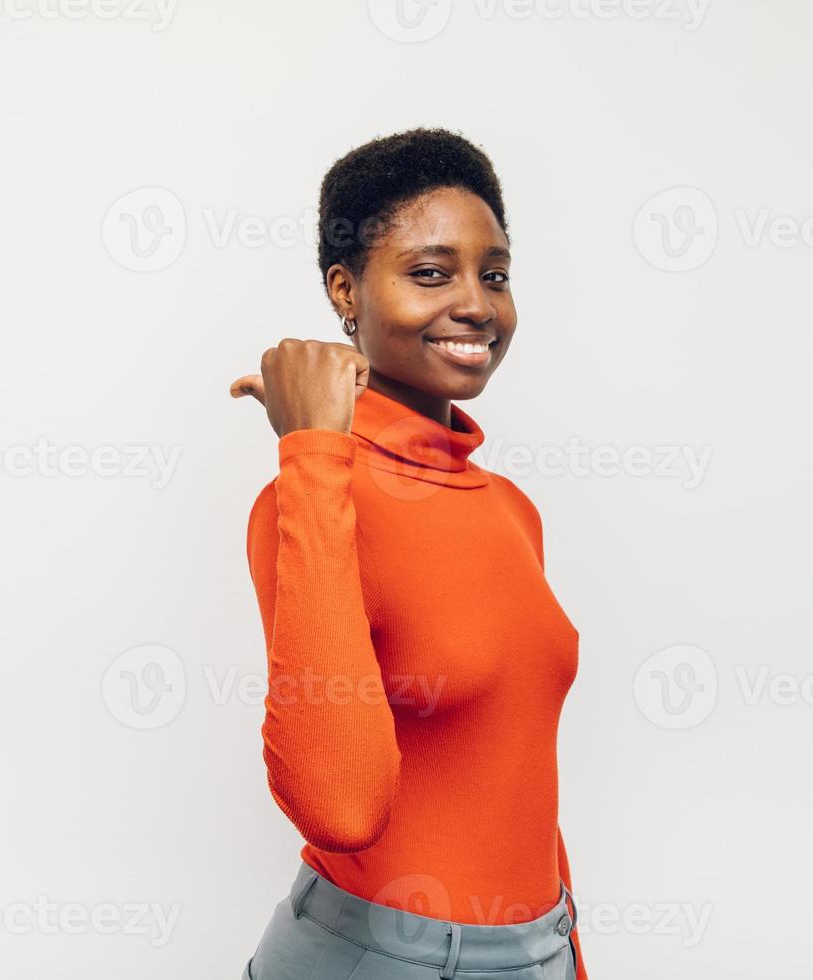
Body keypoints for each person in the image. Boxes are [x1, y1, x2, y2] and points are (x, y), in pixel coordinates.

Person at [229, 127, 588, 980]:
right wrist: (315, 448)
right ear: (345, 291)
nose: (476, 304)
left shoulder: (511, 509)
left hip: (537, 947)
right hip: (376, 958)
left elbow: (518, 779)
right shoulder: (309, 497)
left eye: (493, 275)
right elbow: (341, 805)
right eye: (431, 273)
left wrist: (560, 952)